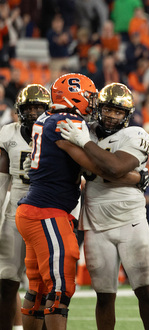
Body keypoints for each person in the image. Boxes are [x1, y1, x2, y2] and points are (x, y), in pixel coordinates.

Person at [16, 74, 147, 330]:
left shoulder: (46, 118)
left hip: (33, 210)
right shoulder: (69, 121)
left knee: (39, 290)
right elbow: (100, 170)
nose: (92, 103)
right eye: (88, 97)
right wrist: (137, 177)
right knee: (60, 290)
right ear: (72, 96)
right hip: (48, 212)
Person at [58, 82, 149, 329]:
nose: (112, 116)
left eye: (118, 112)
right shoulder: (84, 131)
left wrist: (85, 143)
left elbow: (114, 168)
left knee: (145, 290)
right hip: (95, 222)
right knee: (103, 296)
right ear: (98, 108)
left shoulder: (136, 134)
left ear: (127, 115)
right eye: (108, 109)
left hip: (131, 220)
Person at [0, 84, 49, 330]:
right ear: (20, 110)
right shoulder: (8, 134)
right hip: (15, 212)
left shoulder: (57, 132)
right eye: (29, 108)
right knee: (7, 280)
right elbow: (0, 182)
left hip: (48, 211)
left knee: (47, 282)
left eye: (39, 108)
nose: (34, 113)